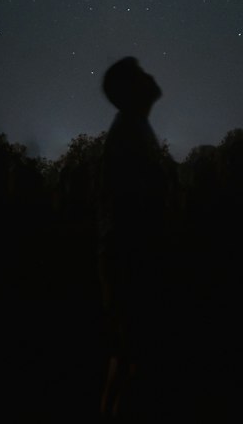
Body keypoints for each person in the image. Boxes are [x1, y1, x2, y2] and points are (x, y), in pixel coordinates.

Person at [97, 57, 169, 418]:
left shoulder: (134, 127)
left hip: (129, 255)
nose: (152, 76)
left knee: (126, 356)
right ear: (128, 91)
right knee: (131, 357)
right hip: (131, 257)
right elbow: (135, 203)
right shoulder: (130, 132)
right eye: (142, 74)